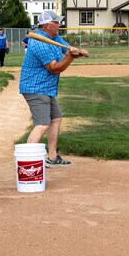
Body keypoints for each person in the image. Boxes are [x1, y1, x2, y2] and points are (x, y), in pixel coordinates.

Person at [19, 10, 89, 167]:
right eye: (56, 22)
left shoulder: (54, 37)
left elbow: (67, 50)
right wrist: (71, 56)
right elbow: (54, 68)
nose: (59, 25)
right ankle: (26, 163)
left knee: (55, 118)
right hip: (35, 87)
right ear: (47, 25)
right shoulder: (39, 43)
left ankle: (52, 157)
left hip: (46, 88)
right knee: (42, 124)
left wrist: (77, 52)